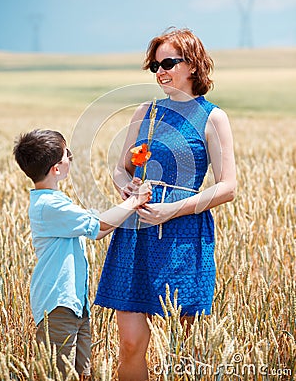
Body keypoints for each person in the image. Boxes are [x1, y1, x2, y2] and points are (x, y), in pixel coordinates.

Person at [95, 27, 236, 381]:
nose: (160, 71)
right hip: (136, 232)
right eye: (155, 65)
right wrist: (128, 189)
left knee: (184, 348)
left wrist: (172, 209)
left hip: (185, 234)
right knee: (129, 343)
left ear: (193, 65)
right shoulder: (146, 111)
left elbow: (228, 187)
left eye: (169, 62)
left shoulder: (212, 117)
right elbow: (120, 169)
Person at [13, 129, 152, 380]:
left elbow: (98, 219)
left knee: (81, 373)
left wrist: (129, 197)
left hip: (74, 303)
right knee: (58, 373)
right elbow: (99, 227)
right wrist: (134, 203)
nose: (71, 157)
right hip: (58, 304)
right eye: (68, 155)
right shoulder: (50, 205)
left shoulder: (55, 200)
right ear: (57, 168)